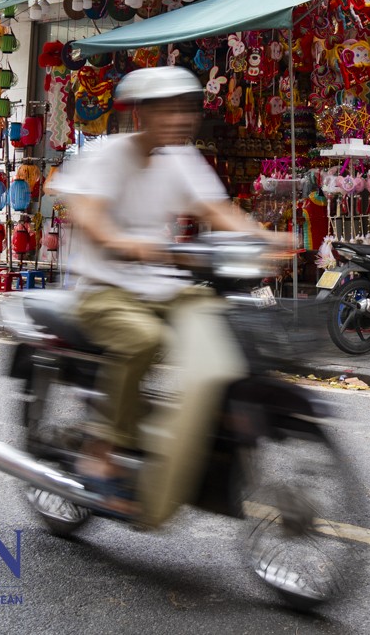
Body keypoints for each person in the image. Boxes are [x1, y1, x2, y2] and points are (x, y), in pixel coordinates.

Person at [51, 65, 278, 522]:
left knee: (227, 332)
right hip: (105, 290)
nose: (179, 119)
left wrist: (266, 239)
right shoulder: (104, 156)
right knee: (144, 342)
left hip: (166, 287)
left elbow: (217, 211)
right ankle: (103, 447)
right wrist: (126, 244)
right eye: (167, 110)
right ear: (142, 115)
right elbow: (90, 216)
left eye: (185, 110)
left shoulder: (184, 160)